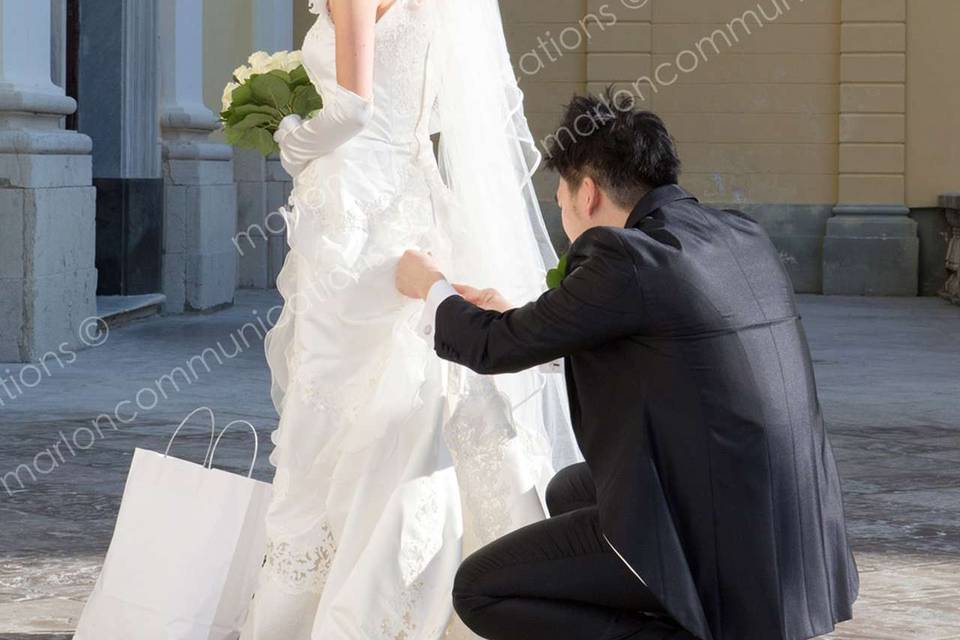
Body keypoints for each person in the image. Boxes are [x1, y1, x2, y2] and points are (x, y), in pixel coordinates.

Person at [396, 91, 860, 640]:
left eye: (561, 199)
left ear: (587, 193)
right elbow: (655, 340)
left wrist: (432, 287)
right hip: (797, 532)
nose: (563, 214)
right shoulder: (739, 235)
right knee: (571, 490)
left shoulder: (624, 257)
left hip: (715, 536)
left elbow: (492, 349)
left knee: (480, 587)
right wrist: (524, 317)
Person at [241, 1, 581, 638]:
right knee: (415, 377)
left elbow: (351, 110)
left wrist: (289, 136)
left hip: (355, 209)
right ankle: (445, 574)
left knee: (337, 388)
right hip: (407, 192)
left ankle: (350, 599)